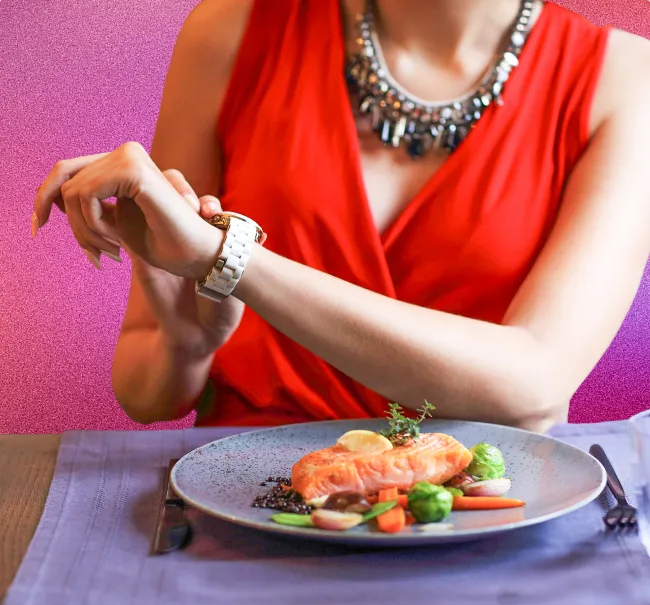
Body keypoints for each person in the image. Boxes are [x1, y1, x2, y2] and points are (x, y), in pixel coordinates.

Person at [32, 0, 650, 433]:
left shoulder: (626, 80)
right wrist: (186, 341)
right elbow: (145, 395)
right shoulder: (228, 32)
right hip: (249, 506)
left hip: (486, 509)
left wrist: (228, 260)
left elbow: (534, 382)